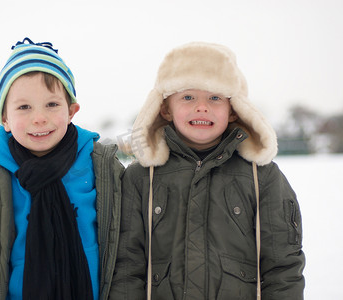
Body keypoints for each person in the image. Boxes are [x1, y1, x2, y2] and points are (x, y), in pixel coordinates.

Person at [109, 42, 305, 299]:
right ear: (165, 108)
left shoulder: (262, 176)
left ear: (233, 109)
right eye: (188, 97)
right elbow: (126, 266)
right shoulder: (140, 178)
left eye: (215, 97)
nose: (202, 107)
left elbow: (283, 267)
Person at [0, 38, 123, 300]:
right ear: (5, 119)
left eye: (52, 104)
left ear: (71, 111)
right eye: (24, 107)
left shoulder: (101, 167)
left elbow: (125, 250)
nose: (39, 118)